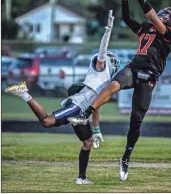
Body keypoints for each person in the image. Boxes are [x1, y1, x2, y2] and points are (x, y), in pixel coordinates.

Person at [76, 0, 171, 181]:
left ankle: (126, 157)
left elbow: (150, 13)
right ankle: (86, 113)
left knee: (136, 121)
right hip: (133, 68)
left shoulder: (169, 35)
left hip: (149, 76)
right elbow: (127, 18)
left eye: (165, 16)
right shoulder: (145, 28)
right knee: (112, 85)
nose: (161, 15)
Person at [5, 10, 120, 185]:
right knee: (47, 122)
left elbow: (96, 106)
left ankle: (81, 178)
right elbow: (103, 50)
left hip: (83, 113)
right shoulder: (100, 68)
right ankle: (24, 93)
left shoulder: (105, 82)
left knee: (88, 142)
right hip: (78, 106)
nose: (109, 62)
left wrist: (96, 130)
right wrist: (108, 30)